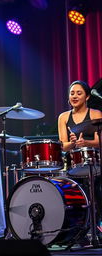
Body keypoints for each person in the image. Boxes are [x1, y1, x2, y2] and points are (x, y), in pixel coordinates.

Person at [58, 80, 102, 243]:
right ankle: (80, 231)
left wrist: (86, 143)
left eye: (79, 93)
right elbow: (63, 145)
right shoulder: (63, 117)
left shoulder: (96, 114)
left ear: (88, 96)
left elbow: (99, 141)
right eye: (72, 93)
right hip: (73, 163)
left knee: (97, 192)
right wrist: (74, 144)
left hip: (95, 162)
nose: (74, 96)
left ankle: (98, 228)